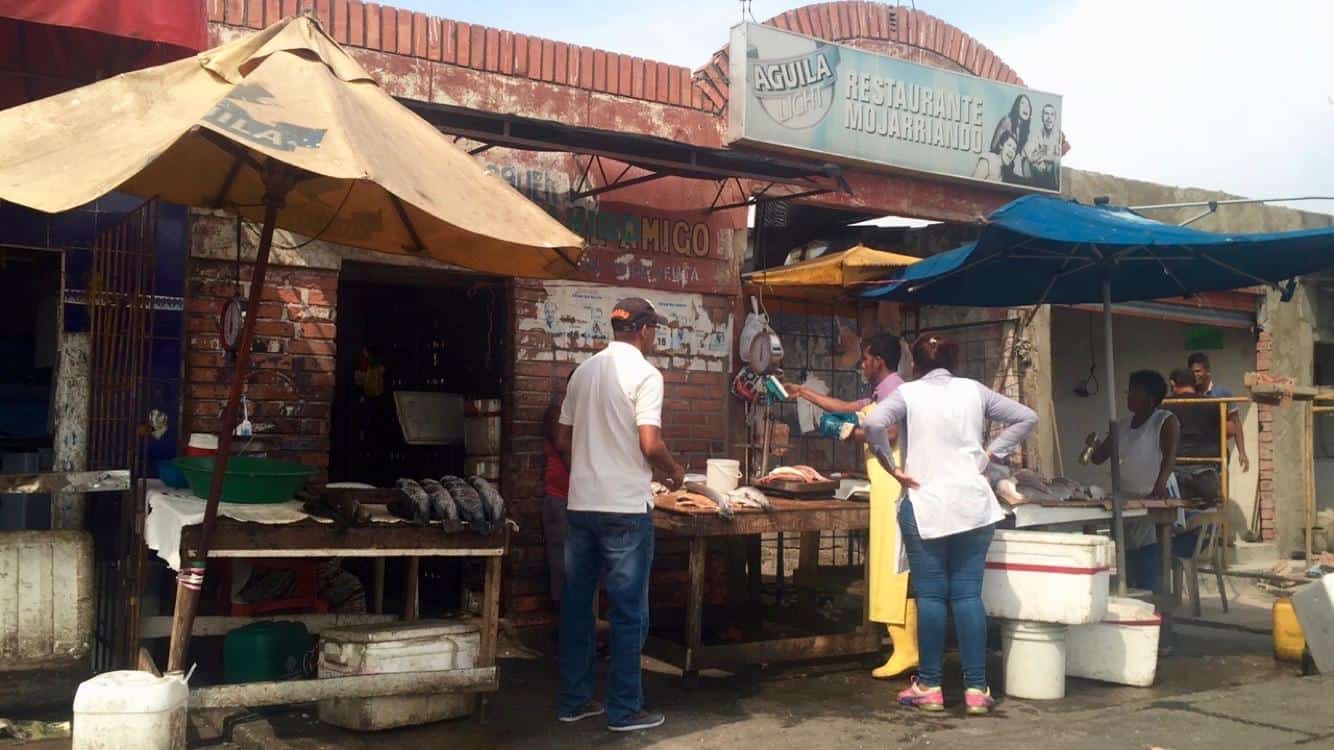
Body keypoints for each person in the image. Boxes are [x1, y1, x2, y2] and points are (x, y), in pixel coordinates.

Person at [863, 334, 1038, 714]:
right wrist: (993, 453)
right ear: (952, 361)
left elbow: (875, 422)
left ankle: (930, 684)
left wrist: (890, 467)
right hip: (973, 504)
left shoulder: (908, 394)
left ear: (916, 365)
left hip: (925, 501)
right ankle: (976, 689)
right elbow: (1027, 417)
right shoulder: (974, 391)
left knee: (931, 596)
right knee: (967, 595)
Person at [555, 297, 684, 733]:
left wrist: (587, 471)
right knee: (629, 612)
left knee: (577, 607)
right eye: (655, 332)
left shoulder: (584, 371)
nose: (656, 339)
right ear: (644, 331)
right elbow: (650, 444)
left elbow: (561, 437)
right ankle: (625, 710)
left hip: (582, 505)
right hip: (625, 510)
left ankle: (575, 702)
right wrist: (674, 472)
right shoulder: (647, 374)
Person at [787, 333, 917, 679]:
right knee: (890, 566)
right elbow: (845, 409)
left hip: (894, 482)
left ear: (878, 360)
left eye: (865, 358)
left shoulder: (893, 390)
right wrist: (802, 392)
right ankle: (906, 647)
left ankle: (906, 650)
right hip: (886, 480)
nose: (862, 364)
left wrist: (848, 433)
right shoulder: (881, 391)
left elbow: (887, 435)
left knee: (892, 568)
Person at [1088, 370, 1180, 591]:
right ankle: (1131, 594)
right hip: (1128, 500)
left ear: (1149, 397)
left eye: (1134, 392)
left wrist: (1159, 484)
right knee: (1127, 555)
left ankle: (1158, 607)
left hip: (1155, 496)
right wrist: (1092, 445)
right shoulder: (1120, 426)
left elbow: (1170, 457)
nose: (1128, 396)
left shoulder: (1165, 421)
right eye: (1128, 391)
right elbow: (1099, 458)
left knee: (1151, 557)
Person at [1189, 352, 1249, 473]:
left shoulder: (1221, 393)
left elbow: (1235, 423)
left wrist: (1242, 452)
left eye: (1198, 371)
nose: (1195, 375)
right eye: (1192, 372)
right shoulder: (1189, 394)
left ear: (1207, 372)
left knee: (1220, 489)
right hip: (1195, 455)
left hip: (1217, 453)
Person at [1022, 103, 1060, 189]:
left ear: (1055, 119)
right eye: (1046, 114)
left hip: (1053, 174)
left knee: (1057, 162)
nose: (1049, 117)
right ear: (1042, 118)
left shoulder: (1060, 136)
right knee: (1026, 162)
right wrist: (1040, 159)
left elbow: (1060, 158)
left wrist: (1044, 157)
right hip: (1038, 170)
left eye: (1052, 114)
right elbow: (1029, 154)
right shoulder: (1036, 134)